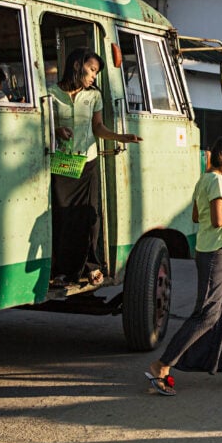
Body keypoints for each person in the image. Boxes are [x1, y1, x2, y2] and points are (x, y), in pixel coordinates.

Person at [146, 136, 222, 395]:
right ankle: (162, 365)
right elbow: (219, 219)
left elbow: (198, 216)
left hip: (216, 252)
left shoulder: (204, 179)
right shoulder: (217, 181)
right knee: (207, 314)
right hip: (213, 256)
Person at [49, 48, 141, 287]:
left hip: (88, 161)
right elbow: (42, 126)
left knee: (91, 217)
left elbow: (98, 128)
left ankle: (91, 265)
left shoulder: (94, 95)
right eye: (91, 70)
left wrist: (119, 137)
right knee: (64, 217)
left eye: (96, 72)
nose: (93, 77)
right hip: (62, 163)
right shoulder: (51, 93)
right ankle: (62, 272)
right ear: (77, 66)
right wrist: (57, 131)